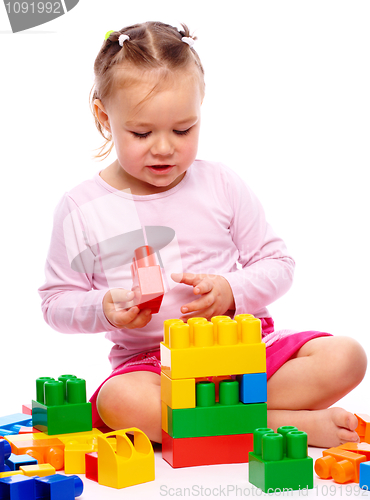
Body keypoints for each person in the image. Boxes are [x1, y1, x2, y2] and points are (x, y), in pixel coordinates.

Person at [38, 21, 367, 447]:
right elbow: (55, 302)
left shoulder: (221, 184)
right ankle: (286, 424)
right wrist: (105, 306)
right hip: (152, 367)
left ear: (201, 109)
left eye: (183, 129)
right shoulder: (82, 207)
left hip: (245, 349)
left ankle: (221, 422)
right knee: (119, 401)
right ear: (104, 116)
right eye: (141, 133)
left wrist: (230, 289)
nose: (164, 147)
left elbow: (279, 264)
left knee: (347, 356)